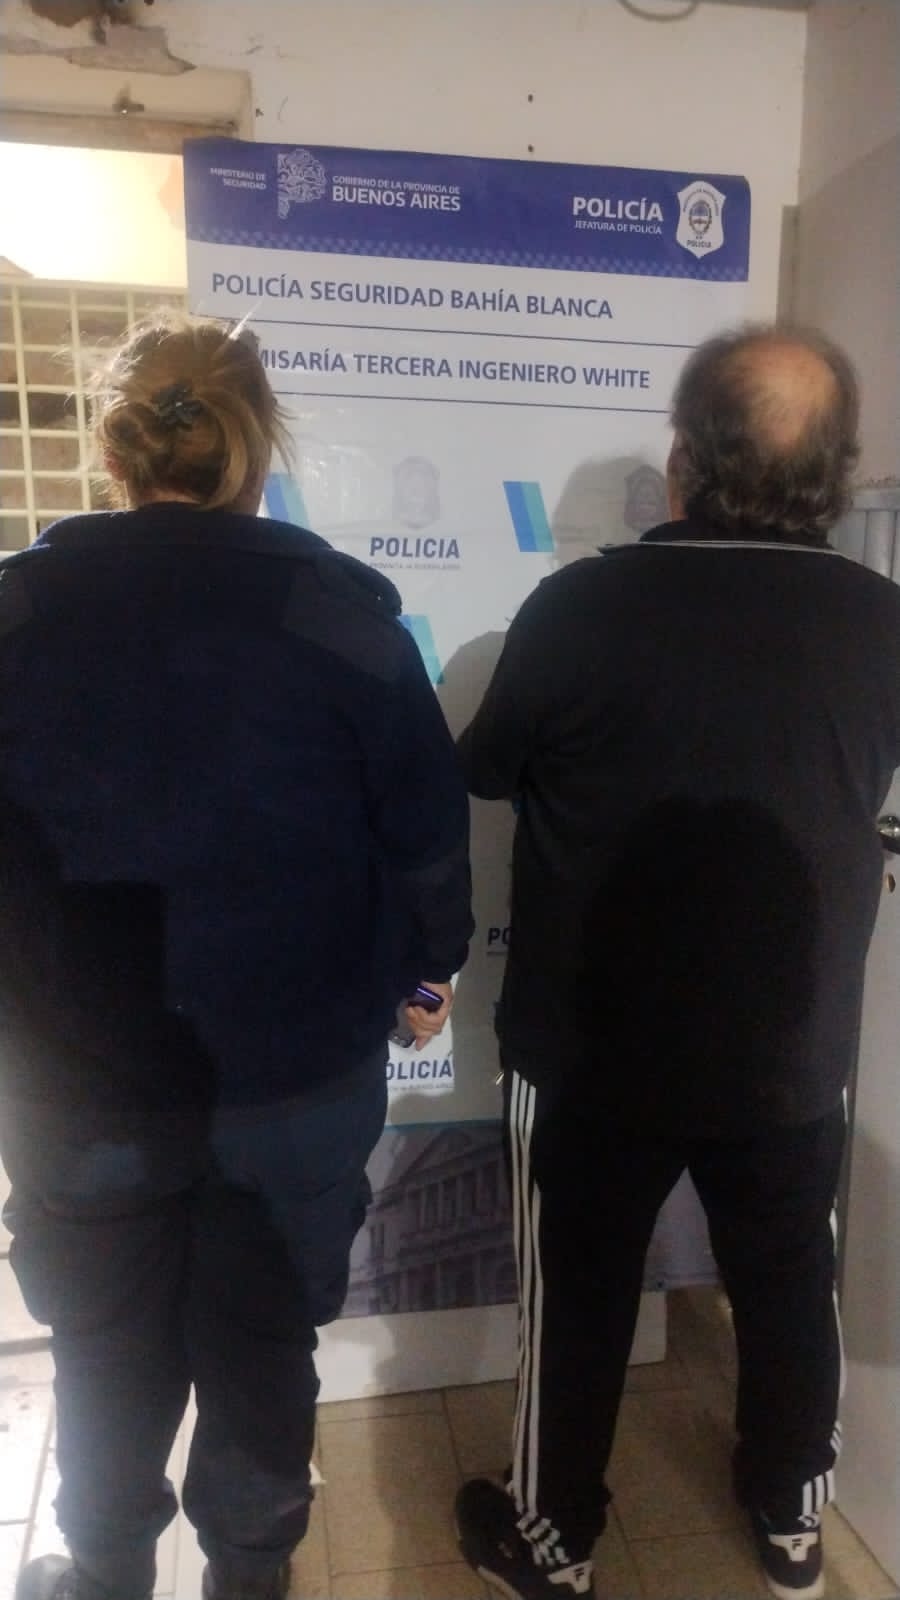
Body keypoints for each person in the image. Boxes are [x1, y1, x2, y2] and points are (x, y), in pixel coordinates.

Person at [0, 311, 473, 1600]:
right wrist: (424, 978)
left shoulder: (15, 615)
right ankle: (250, 1579)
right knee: (265, 1349)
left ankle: (105, 1574)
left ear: (113, 452)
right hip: (295, 1088)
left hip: (78, 1087)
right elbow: (427, 848)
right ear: (259, 451)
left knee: (104, 1351)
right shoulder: (347, 622)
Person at [453, 326, 900, 1600]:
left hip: (587, 1054)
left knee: (578, 1301)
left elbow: (485, 769)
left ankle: (555, 1542)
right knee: (789, 1283)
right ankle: (793, 1522)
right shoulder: (884, 621)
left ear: (682, 463)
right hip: (791, 1054)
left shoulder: (579, 606)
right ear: (831, 472)